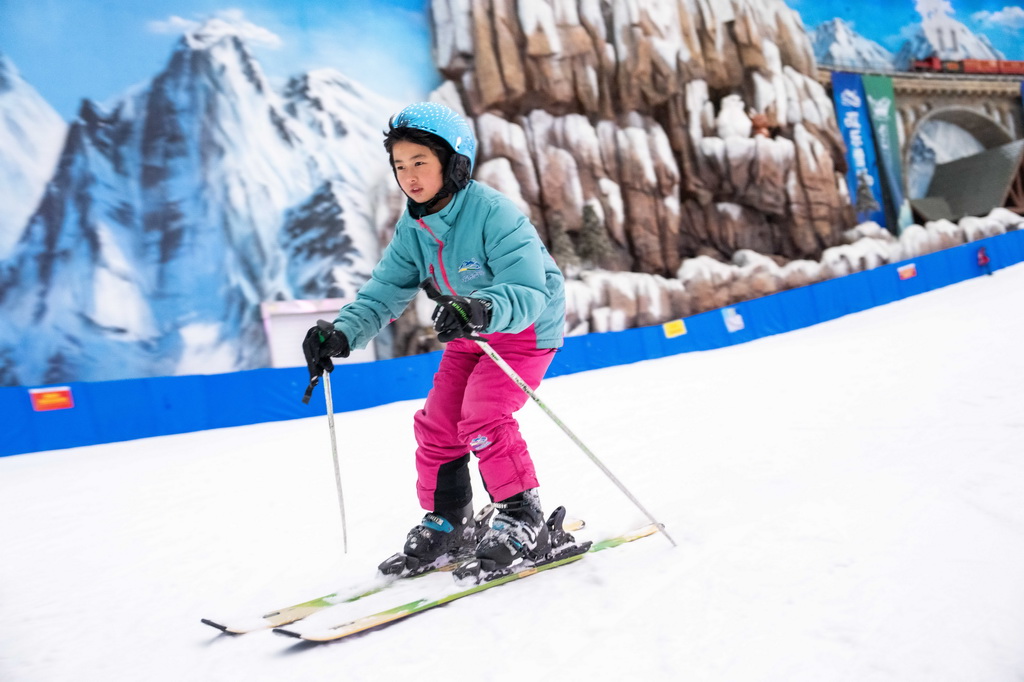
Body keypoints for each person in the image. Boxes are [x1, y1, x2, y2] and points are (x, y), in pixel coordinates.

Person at [302, 102, 565, 569]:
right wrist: (341, 334)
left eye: (420, 162)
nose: (409, 176)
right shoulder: (414, 226)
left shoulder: (493, 213)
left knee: (482, 415)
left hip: (523, 328)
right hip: (468, 331)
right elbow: (385, 290)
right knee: (439, 421)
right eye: (400, 166)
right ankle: (449, 519)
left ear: (455, 163)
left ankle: (521, 514)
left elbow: (530, 289)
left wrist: (482, 307)